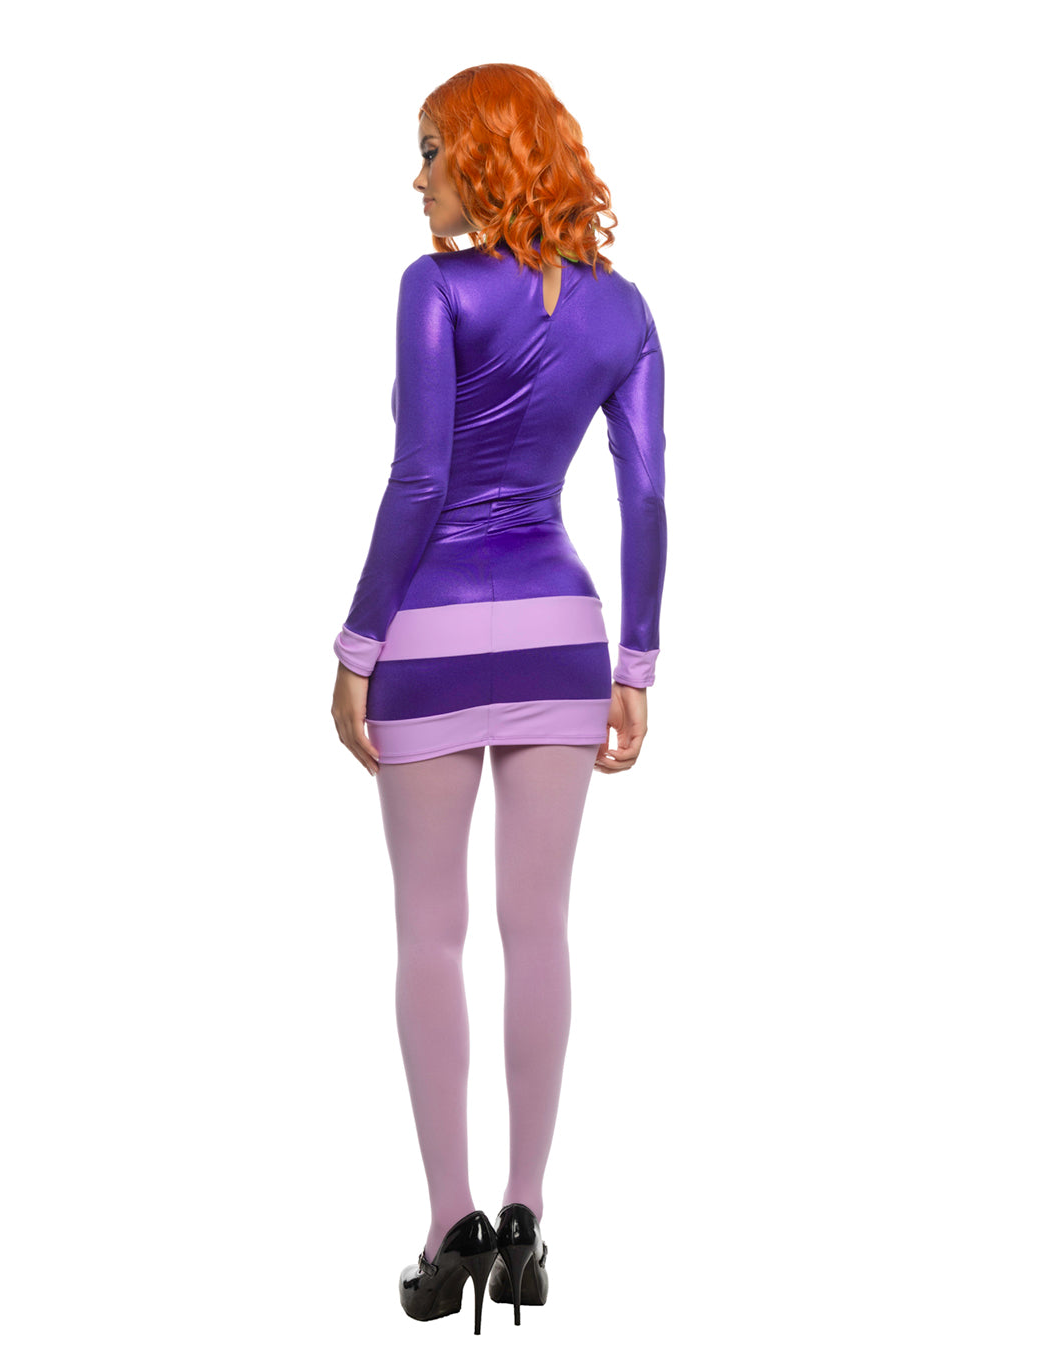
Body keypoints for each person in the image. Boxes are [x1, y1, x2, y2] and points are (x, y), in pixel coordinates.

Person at [331, 63, 667, 1332]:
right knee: (541, 929)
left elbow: (421, 480)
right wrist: (636, 665)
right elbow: (644, 495)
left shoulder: (435, 289)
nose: (417, 178)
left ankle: (449, 1224)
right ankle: (528, 1218)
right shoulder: (624, 312)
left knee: (431, 933)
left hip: (429, 631)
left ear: (486, 154)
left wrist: (357, 642)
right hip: (560, 634)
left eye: (433, 150)